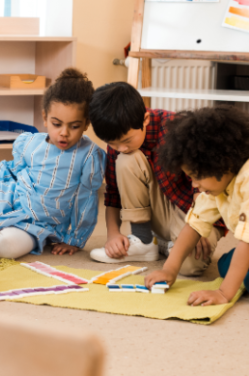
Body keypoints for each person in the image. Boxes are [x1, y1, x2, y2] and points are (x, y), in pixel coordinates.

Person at [0, 68, 105, 259]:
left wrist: (75, 240)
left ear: (86, 123)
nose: (64, 132)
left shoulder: (89, 155)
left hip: (38, 226)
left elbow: (86, 200)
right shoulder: (30, 142)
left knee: (4, 247)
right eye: (57, 124)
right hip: (8, 198)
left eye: (74, 126)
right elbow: (8, 170)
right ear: (45, 117)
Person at [145, 105, 249, 305]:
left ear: (223, 163)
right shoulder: (218, 183)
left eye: (197, 177)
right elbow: (194, 225)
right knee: (226, 266)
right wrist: (169, 269)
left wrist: (223, 293)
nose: (194, 185)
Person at [87, 82, 224, 275]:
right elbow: (113, 194)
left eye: (126, 141)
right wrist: (113, 234)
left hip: (193, 209)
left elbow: (201, 186)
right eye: (112, 144)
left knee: (190, 266)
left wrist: (198, 224)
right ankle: (143, 241)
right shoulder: (119, 145)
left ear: (145, 119)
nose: (121, 148)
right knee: (126, 160)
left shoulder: (176, 128)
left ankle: (163, 244)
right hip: (159, 209)